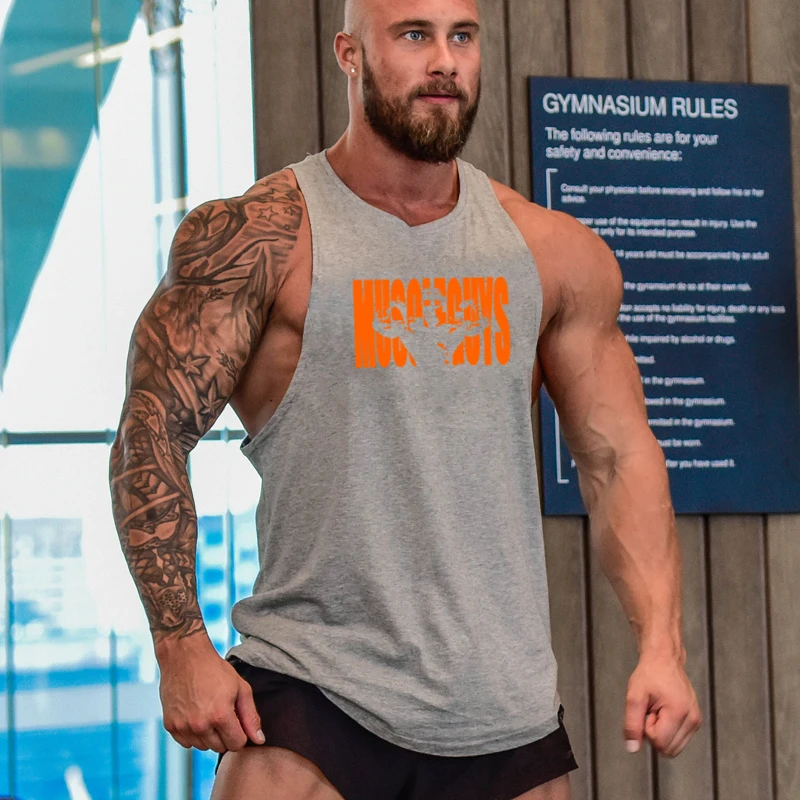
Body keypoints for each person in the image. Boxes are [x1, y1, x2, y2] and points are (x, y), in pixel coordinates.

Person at [108, 0, 702, 798]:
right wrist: (180, 645)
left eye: (463, 37)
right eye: (415, 35)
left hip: (505, 714)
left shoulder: (549, 253)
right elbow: (149, 432)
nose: (445, 61)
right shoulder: (260, 240)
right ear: (350, 54)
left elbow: (616, 457)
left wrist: (662, 645)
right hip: (312, 697)